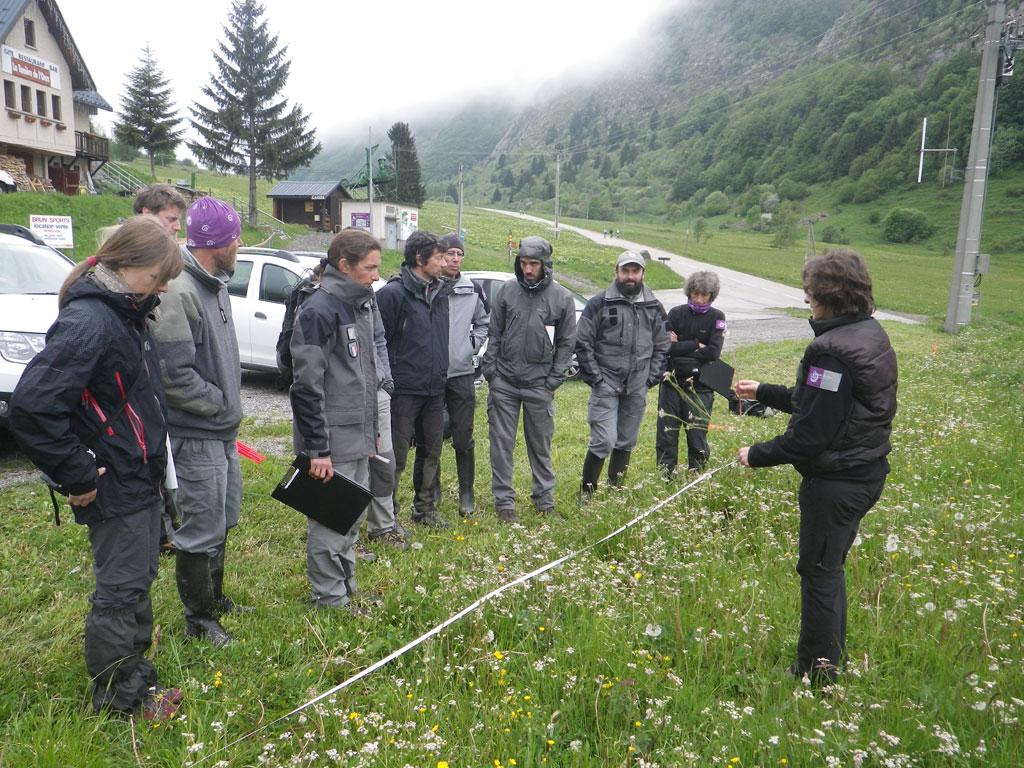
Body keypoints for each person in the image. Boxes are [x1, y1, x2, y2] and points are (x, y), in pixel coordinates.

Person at [9, 217, 184, 720]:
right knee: (120, 591)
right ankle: (119, 700)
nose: (165, 286)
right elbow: (32, 406)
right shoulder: (92, 321)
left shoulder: (128, 311)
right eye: (158, 276)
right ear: (126, 265)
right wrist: (78, 473)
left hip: (139, 473)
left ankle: (137, 678)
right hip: (114, 480)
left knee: (138, 579)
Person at [737, 248, 898, 685]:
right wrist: (764, 392)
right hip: (864, 472)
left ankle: (816, 673)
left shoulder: (832, 353)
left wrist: (757, 454)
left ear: (827, 295)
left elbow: (811, 434)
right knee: (829, 568)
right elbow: (824, 405)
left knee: (820, 573)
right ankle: (829, 659)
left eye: (809, 292)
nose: (806, 298)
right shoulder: (867, 332)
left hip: (838, 482)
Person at [151, 196, 245, 648]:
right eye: (235, 238)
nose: (240, 245)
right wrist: (222, 405)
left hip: (220, 432)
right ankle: (199, 619)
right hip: (196, 434)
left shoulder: (217, 283)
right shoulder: (181, 291)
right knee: (201, 527)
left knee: (223, 517)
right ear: (218, 243)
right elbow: (174, 377)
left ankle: (217, 597)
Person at [289, 228, 383, 613]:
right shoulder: (318, 310)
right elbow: (306, 386)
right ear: (344, 266)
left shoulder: (359, 305)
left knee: (352, 514)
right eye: (370, 267)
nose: (376, 275)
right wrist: (317, 450)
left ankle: (346, 587)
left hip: (356, 435)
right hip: (330, 441)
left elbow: (361, 376)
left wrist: (372, 431)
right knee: (330, 519)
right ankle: (329, 598)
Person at [482, 236, 577, 522]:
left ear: (545, 264)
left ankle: (544, 501)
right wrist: (491, 372)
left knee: (540, 446)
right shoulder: (507, 291)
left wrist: (552, 381)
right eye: (523, 263)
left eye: (533, 263)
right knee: (501, 444)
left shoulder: (562, 298)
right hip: (505, 384)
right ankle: (504, 503)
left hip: (540, 386)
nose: (528, 269)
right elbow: (494, 333)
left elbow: (566, 344)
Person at [576, 251, 669, 497]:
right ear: (616, 271)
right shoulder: (599, 303)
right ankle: (587, 492)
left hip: (638, 385)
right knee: (604, 440)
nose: (630, 276)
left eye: (635, 271)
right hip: (606, 383)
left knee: (626, 440)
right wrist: (596, 378)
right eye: (625, 271)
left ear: (643, 273)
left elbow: (663, 345)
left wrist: (652, 378)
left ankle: (616, 492)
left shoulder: (654, 306)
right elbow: (583, 342)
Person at [376, 231, 451, 528]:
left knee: (432, 451)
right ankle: (388, 514)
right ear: (419, 259)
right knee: (396, 456)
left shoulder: (441, 291)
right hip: (403, 391)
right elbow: (380, 342)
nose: (445, 263)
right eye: (439, 257)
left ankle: (425, 509)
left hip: (435, 388)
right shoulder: (393, 294)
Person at [413, 233, 490, 516]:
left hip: (461, 373)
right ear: (439, 257)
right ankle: (430, 493)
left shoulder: (472, 289)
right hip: (431, 373)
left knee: (463, 435)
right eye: (450, 254)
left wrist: (470, 347)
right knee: (430, 437)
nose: (455, 259)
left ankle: (466, 494)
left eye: (460, 254)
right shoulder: (427, 287)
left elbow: (484, 322)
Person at [133, 184, 188, 553]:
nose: (175, 230)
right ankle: (157, 532)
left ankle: (165, 528)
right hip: (131, 396)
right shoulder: (128, 264)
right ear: (145, 216)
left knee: (160, 456)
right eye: (170, 221)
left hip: (153, 389)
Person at [656, 271, 726, 474]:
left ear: (711, 296)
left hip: (701, 385)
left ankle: (696, 477)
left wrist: (682, 346)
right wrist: (696, 344)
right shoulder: (675, 313)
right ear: (689, 292)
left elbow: (713, 352)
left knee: (697, 434)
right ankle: (665, 476)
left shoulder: (717, 317)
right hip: (672, 382)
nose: (699, 299)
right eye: (695, 294)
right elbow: (667, 347)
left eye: (704, 295)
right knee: (667, 435)